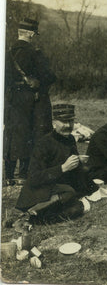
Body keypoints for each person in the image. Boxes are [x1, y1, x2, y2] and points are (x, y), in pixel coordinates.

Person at [14, 104, 97, 224]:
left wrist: (79, 163)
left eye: (70, 121)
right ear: (54, 123)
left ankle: (38, 219)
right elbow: (33, 178)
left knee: (79, 206)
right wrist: (62, 168)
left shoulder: (70, 139)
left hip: (57, 188)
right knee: (70, 193)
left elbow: (74, 168)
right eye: (63, 122)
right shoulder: (43, 144)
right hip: (39, 191)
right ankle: (31, 213)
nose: (68, 125)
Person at [4, 18, 56, 184]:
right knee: (29, 134)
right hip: (30, 100)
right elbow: (49, 77)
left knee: (11, 133)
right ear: (32, 34)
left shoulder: (7, 52)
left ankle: (8, 175)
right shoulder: (35, 53)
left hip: (10, 99)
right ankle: (23, 175)